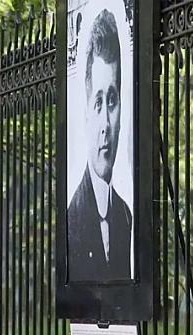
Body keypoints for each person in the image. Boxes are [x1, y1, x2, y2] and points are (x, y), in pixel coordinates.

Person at [67, 8, 132, 282]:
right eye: (98, 102)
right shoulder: (70, 219)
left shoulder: (125, 216)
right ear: (85, 113)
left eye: (112, 101)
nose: (105, 123)